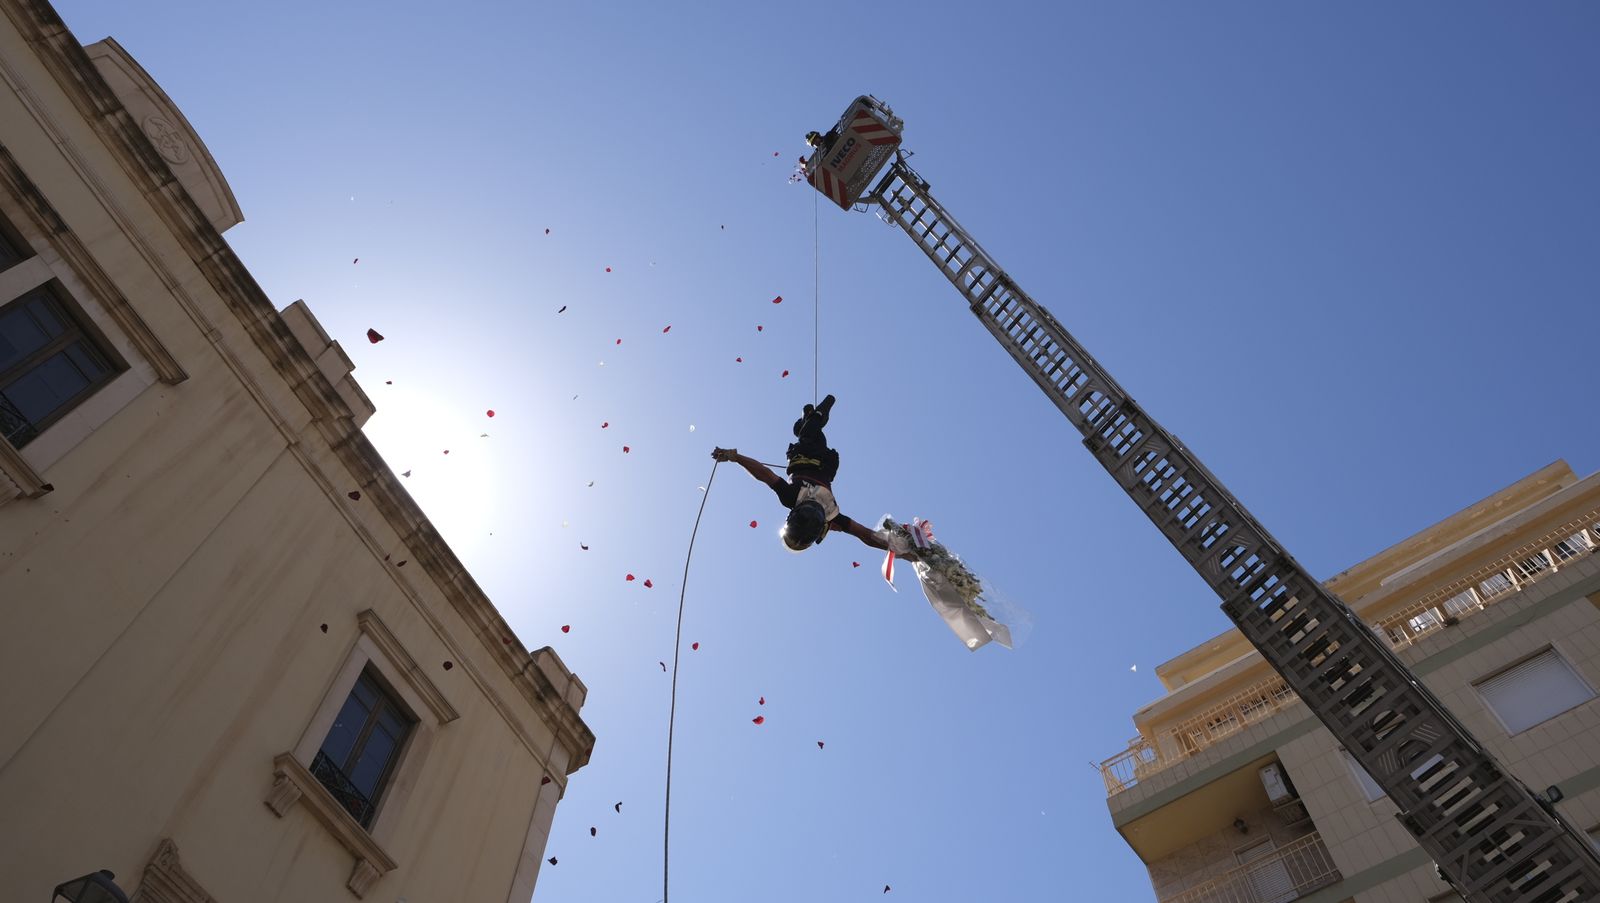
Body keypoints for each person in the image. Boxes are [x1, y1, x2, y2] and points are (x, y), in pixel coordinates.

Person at [712, 394, 900, 555]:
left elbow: (764, 474)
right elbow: (865, 535)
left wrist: (734, 457)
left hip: (807, 456)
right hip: (822, 461)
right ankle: (814, 416)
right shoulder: (831, 516)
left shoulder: (793, 498)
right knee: (809, 432)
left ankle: (812, 417)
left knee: (808, 432)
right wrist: (899, 550)